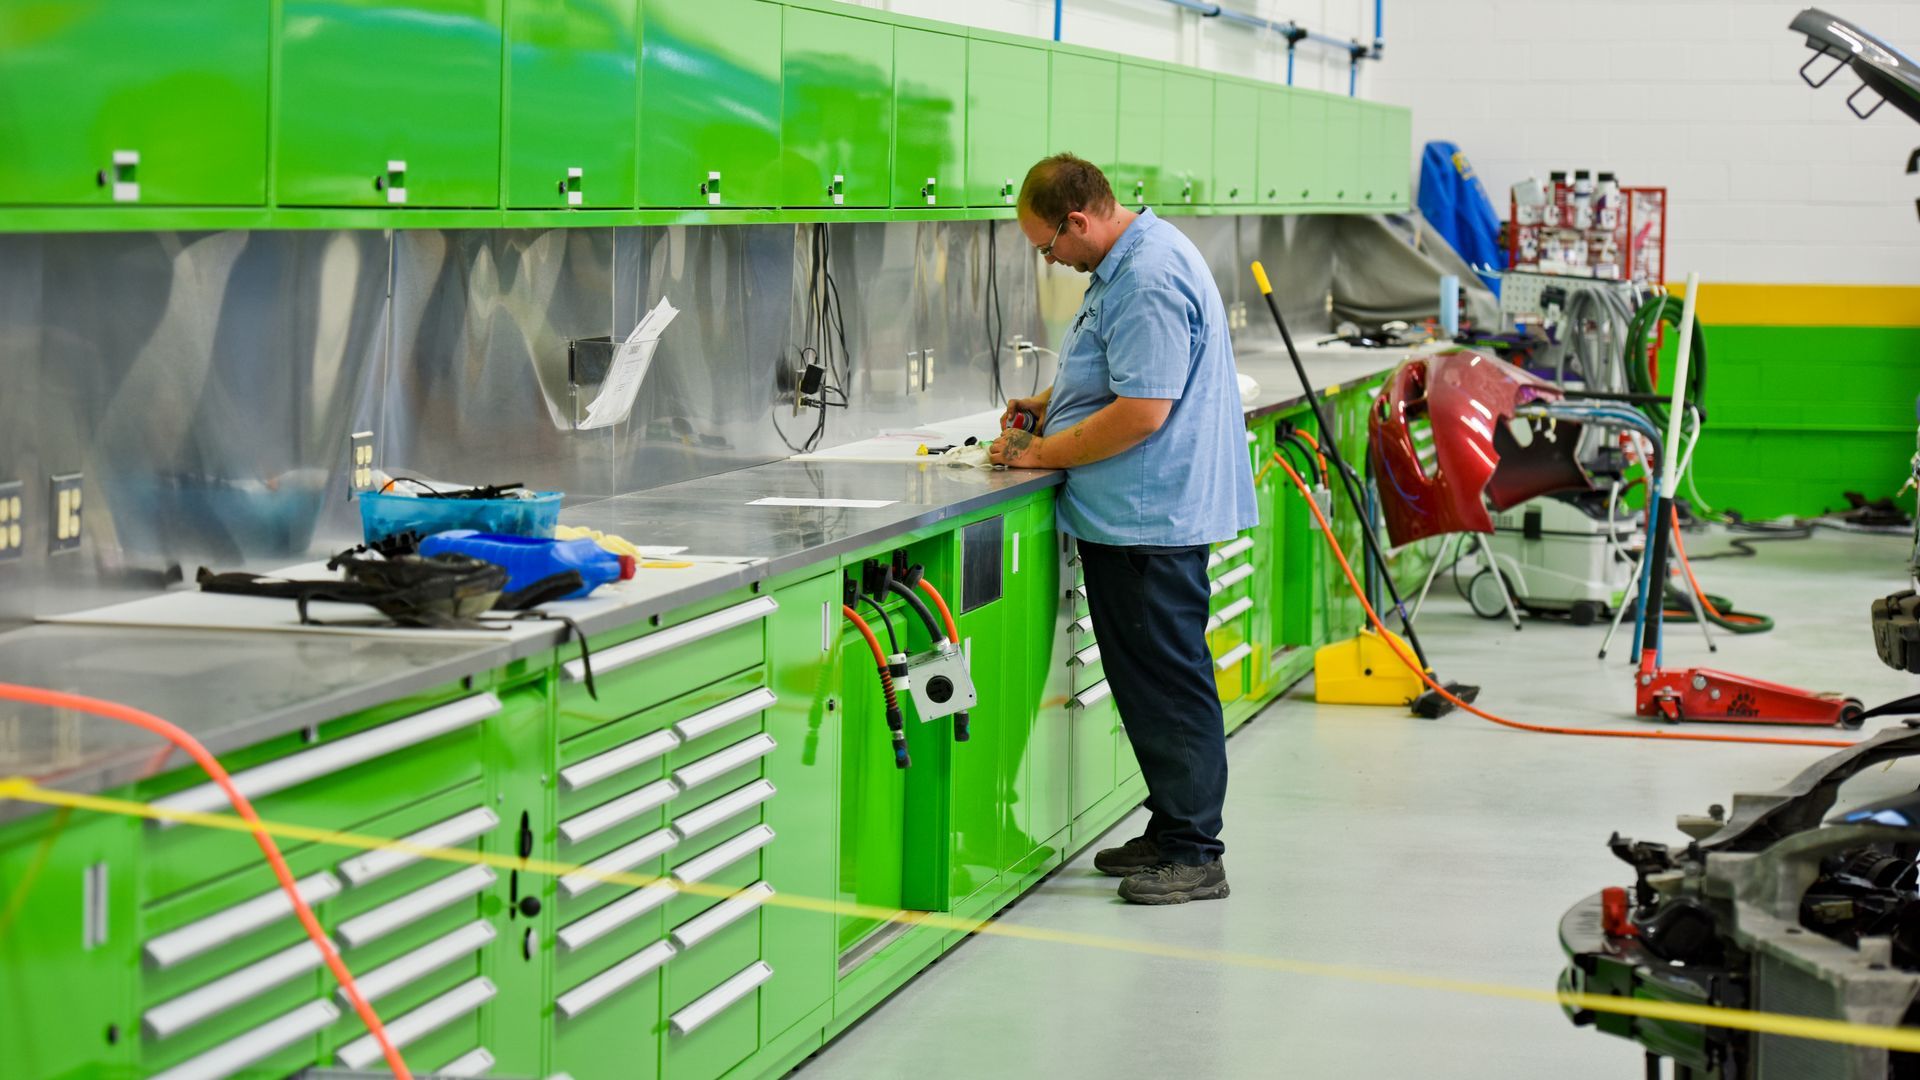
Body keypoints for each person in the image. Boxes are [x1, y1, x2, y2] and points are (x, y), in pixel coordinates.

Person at [990, 153, 1255, 905]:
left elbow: (1143, 411)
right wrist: (1051, 403)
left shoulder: (1145, 277)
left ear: (1077, 221)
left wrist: (1039, 453)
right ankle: (1173, 829)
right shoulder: (1131, 259)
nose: (1053, 260)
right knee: (1148, 687)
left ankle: (1197, 852)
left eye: (1049, 246)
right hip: (1134, 518)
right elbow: (1117, 372)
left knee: (1170, 688)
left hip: (1152, 520)